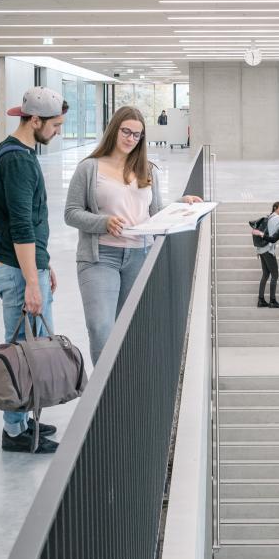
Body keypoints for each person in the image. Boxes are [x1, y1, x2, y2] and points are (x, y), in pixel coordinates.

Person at [65, 105, 201, 364]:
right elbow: (71, 213)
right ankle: (106, 387)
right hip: (100, 257)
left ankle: (121, 378)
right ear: (114, 130)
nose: (131, 139)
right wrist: (103, 222)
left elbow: (155, 212)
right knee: (100, 326)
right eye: (126, 131)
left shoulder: (147, 170)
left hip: (139, 255)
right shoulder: (89, 168)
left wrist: (181, 204)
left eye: (137, 135)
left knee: (128, 329)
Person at [0, 86, 68, 454]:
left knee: (30, 347)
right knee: (23, 351)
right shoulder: (19, 162)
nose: (58, 132)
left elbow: (24, 223)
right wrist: (33, 282)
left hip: (25, 267)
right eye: (55, 125)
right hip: (18, 272)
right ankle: (14, 431)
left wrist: (43, 263)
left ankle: (22, 421)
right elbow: (21, 227)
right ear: (34, 120)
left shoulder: (10, 152)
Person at [254, 201, 279, 309]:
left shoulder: (269, 217)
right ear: (275, 208)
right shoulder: (275, 217)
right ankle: (272, 301)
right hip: (268, 250)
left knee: (265, 274)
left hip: (262, 250)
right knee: (275, 275)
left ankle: (261, 300)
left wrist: (258, 250)